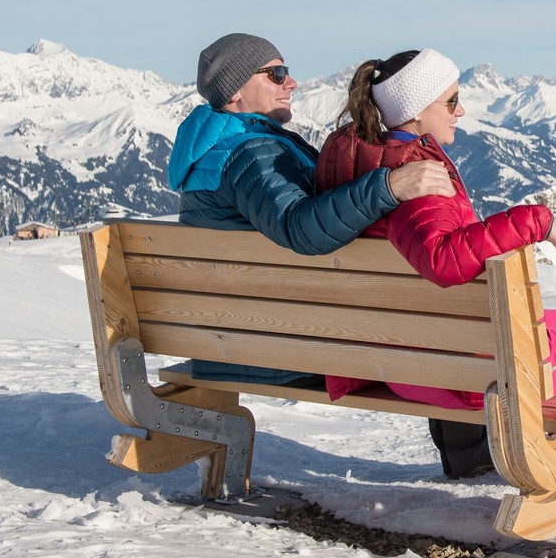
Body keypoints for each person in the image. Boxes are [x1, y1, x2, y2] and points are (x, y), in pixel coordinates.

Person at [315, 48, 556, 491]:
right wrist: (537, 220)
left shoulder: (353, 161)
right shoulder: (415, 180)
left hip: (394, 360)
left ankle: (470, 455)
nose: (461, 110)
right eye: (450, 101)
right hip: (458, 375)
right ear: (415, 111)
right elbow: (442, 259)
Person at [167, 32, 454, 384]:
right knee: (448, 339)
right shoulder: (250, 155)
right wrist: (389, 187)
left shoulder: (220, 151)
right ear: (235, 91)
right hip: (280, 344)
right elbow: (299, 228)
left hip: (236, 337)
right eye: (276, 74)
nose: (292, 82)